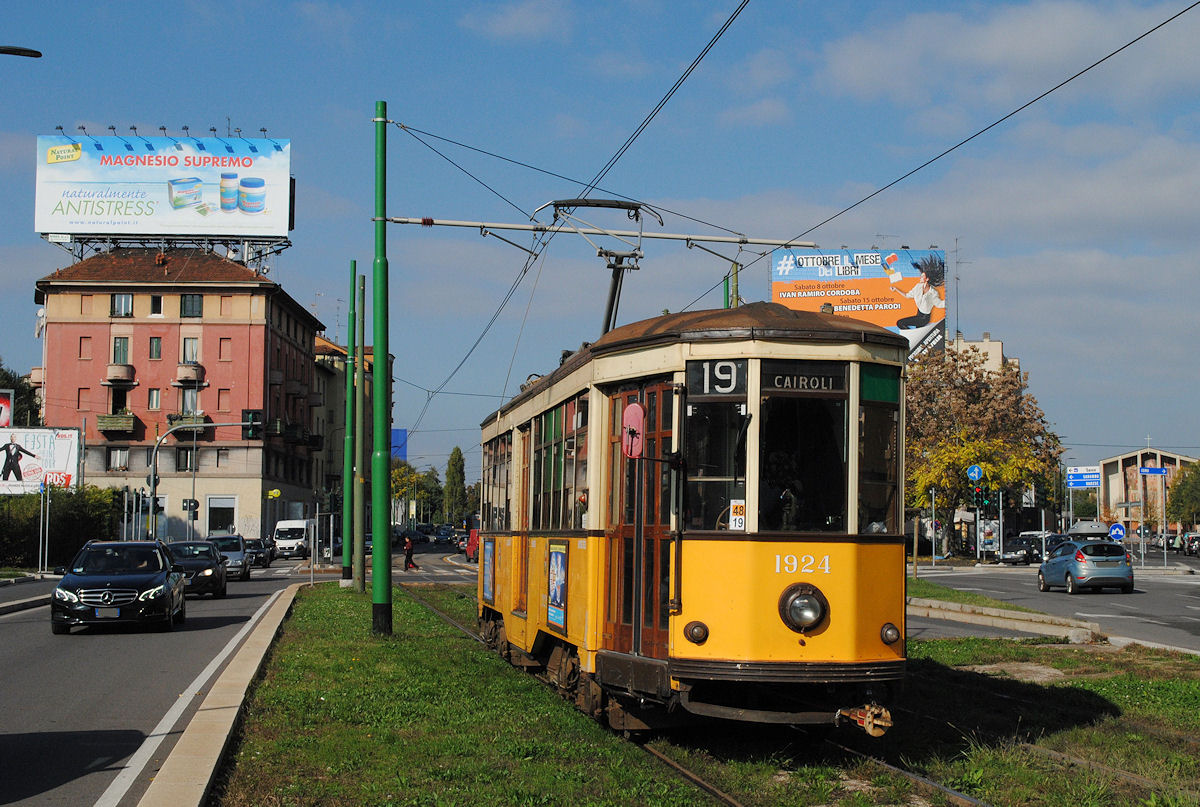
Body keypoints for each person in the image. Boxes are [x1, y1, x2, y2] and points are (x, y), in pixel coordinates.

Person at [891, 254, 946, 330]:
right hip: (918, 314)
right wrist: (896, 289)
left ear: (927, 279)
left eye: (922, 276)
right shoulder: (918, 287)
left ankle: (910, 338)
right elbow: (907, 295)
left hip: (924, 318)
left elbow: (939, 304)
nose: (920, 277)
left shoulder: (933, 293)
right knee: (917, 332)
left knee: (900, 323)